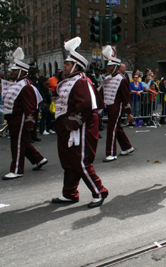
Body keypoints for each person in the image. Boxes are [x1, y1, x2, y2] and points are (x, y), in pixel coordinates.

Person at [51, 37, 108, 208]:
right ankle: (69, 193)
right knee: (68, 161)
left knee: (80, 161)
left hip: (79, 128)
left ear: (76, 66)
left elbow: (87, 106)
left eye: (67, 64)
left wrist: (73, 122)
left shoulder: (82, 81)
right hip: (67, 128)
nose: (64, 66)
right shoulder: (69, 81)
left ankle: (99, 191)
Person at [2, 47, 48, 180]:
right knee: (21, 142)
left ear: (21, 71)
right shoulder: (18, 83)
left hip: (20, 118)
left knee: (17, 144)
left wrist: (29, 122)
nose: (12, 72)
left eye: (15, 70)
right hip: (14, 118)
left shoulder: (26, 85)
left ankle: (16, 169)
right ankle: (39, 159)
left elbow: (30, 107)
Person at [100, 46, 134, 162]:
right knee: (117, 127)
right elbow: (101, 91)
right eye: (108, 66)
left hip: (116, 106)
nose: (108, 68)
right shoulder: (107, 78)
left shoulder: (122, 79)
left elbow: (126, 97)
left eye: (110, 66)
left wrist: (129, 113)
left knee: (111, 129)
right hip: (109, 106)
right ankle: (127, 147)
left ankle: (111, 153)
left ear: (116, 67)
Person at [27, 63, 42, 143]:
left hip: (36, 101)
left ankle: (34, 135)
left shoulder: (36, 79)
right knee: (30, 118)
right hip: (30, 102)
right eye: (32, 69)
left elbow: (40, 90)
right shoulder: (28, 79)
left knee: (36, 119)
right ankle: (28, 136)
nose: (34, 70)